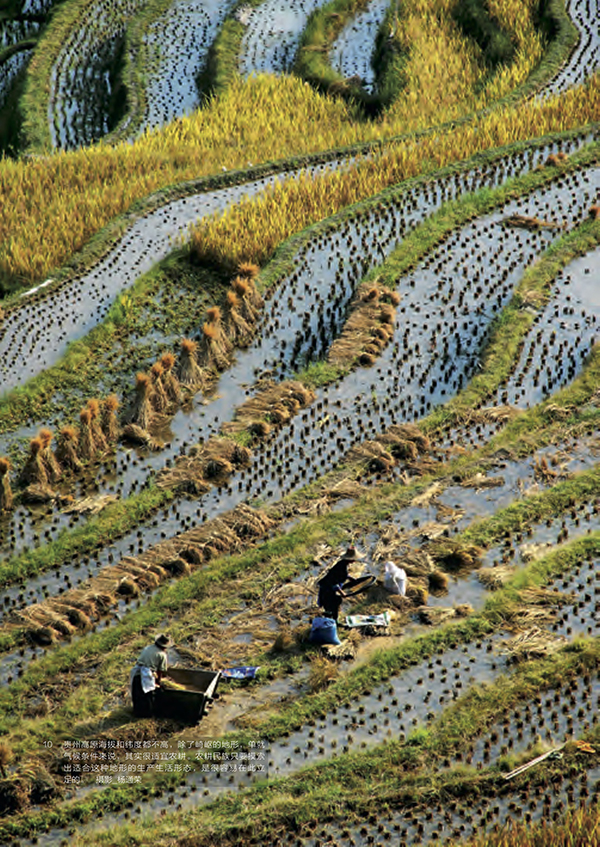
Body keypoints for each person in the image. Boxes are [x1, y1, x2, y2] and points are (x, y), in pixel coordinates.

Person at [317, 546, 365, 622]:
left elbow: (342, 575)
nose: (355, 560)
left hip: (330, 587)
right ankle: (332, 623)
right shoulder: (341, 566)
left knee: (335, 603)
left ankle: (334, 621)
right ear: (350, 559)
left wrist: (349, 577)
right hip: (327, 588)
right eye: (354, 558)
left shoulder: (343, 564)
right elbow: (333, 581)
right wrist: (341, 592)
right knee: (331, 605)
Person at [129, 633, 171, 717]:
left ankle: (136, 713)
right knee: (147, 696)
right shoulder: (162, 655)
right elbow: (160, 671)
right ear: (164, 646)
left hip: (137, 673)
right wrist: (158, 681)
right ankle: (146, 715)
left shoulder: (147, 648)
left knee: (137, 694)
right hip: (146, 675)